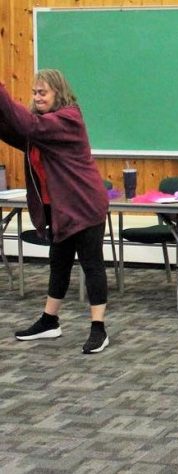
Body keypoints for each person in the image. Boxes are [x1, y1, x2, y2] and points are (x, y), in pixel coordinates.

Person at [0, 69, 111, 354]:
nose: (37, 97)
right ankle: (50, 320)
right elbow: (16, 129)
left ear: (57, 94)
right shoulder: (41, 128)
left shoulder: (68, 119)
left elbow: (26, 127)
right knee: (59, 261)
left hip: (84, 205)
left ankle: (99, 329)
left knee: (92, 264)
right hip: (60, 208)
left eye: (43, 93)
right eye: (35, 93)